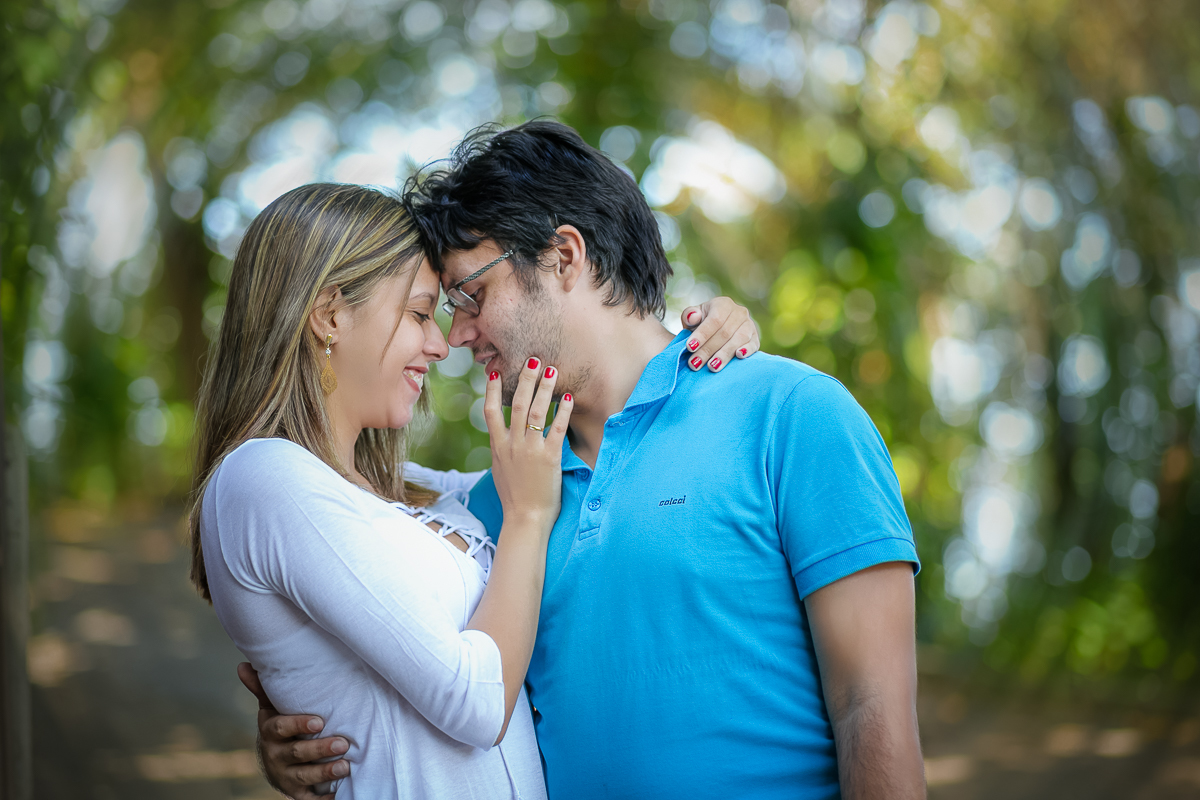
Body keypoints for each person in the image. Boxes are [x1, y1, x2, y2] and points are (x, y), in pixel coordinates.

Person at [255, 121, 925, 800]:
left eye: (472, 297)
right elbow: (385, 621)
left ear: (564, 256)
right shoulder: (502, 504)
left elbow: (872, 707)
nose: (455, 337)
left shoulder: (791, 416)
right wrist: (294, 711)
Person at [193, 182, 760, 798]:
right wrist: (526, 519)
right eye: (417, 314)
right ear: (330, 314)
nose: (440, 345)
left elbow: (583, 474)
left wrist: (708, 336)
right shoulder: (263, 479)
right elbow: (475, 704)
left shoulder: (412, 498)